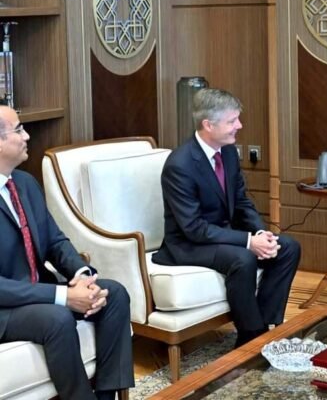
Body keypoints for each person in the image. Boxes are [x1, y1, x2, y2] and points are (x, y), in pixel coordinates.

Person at [0, 105, 134, 399]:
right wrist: (63, 296)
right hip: (5, 308)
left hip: (39, 293)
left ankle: (106, 396)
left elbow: (54, 241)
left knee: (114, 294)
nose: (27, 136)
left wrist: (82, 276)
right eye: (19, 129)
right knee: (57, 318)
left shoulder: (24, 183)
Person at [153, 88, 301, 347]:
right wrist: (248, 242)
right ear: (208, 125)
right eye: (232, 121)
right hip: (188, 244)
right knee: (243, 258)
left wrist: (259, 233)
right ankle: (251, 338)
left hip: (222, 235)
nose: (239, 126)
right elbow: (194, 228)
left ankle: (264, 329)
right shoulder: (180, 165)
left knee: (287, 247)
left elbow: (241, 201)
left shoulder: (229, 153)